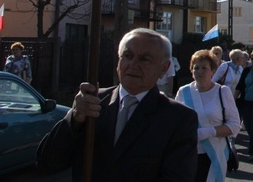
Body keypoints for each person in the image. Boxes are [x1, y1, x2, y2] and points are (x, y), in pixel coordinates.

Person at [37, 28, 198, 181]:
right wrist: (75, 119)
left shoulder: (178, 119)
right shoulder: (92, 103)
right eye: (127, 56)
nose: (133, 65)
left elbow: (177, 177)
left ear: (164, 68)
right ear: (118, 61)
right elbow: (47, 164)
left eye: (144, 59)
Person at [175, 50, 240, 181]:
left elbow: (234, 125)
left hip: (214, 154)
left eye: (204, 68)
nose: (200, 71)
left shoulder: (222, 92)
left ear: (213, 71)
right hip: (188, 154)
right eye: (196, 68)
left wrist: (208, 132)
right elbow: (175, 123)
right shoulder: (183, 92)